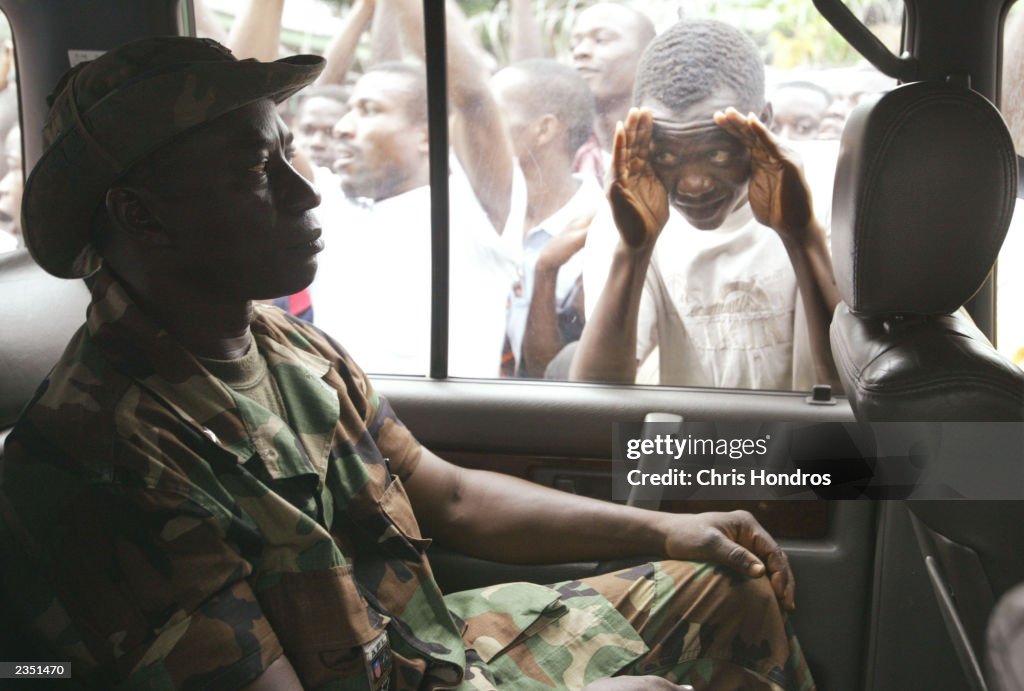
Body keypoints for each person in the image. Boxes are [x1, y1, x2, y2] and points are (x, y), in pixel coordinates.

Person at [0, 35, 817, 691]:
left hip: (436, 652)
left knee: (729, 580)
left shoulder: (283, 346)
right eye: (256, 170)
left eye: (287, 154)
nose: (306, 192)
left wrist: (669, 528)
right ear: (142, 216)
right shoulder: (109, 454)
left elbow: (449, 494)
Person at [572, 19, 840, 391]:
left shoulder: (830, 198)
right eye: (666, 156)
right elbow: (596, 398)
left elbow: (853, 391)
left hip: (815, 446)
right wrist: (634, 250)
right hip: (699, 446)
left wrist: (801, 236)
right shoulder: (628, 212)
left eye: (716, 153)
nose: (693, 184)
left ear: (763, 123)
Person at [311, 0, 520, 377]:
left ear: (428, 135)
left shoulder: (473, 207)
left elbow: (472, 96)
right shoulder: (328, 202)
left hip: (447, 432)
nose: (340, 127)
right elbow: (257, 110)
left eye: (369, 110)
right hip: (334, 431)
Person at [491, 59, 601, 378]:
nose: (476, 131)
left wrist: (545, 272)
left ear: (544, 129)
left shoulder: (605, 228)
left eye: (493, 116)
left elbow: (556, 374)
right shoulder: (474, 214)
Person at [568, 3, 656, 180]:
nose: (580, 52)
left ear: (648, 54)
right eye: (573, 45)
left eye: (601, 39)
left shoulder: (675, 147)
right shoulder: (562, 151)